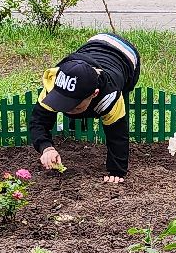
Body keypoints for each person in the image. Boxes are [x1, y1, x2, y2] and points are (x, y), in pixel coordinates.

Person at [30, 33, 141, 184]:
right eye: (62, 103)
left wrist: (116, 171)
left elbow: (118, 135)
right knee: (78, 104)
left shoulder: (110, 96)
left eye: (74, 105)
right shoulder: (55, 83)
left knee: (120, 102)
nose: (67, 110)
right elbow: (38, 121)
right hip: (94, 43)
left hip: (126, 56)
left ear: (94, 94)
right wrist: (46, 148)